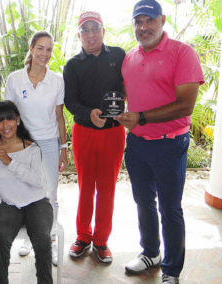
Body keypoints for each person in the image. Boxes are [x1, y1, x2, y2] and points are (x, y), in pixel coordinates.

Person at [114, 1, 204, 283]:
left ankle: (171, 270)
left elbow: (186, 105)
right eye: (138, 22)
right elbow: (131, 96)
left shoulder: (182, 52)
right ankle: (150, 252)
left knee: (170, 208)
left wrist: (141, 116)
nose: (143, 27)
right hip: (137, 144)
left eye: (149, 21)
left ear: (162, 20)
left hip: (169, 144)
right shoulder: (129, 58)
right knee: (143, 202)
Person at [63, 11, 126, 263]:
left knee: (107, 188)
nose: (90, 34)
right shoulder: (73, 64)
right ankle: (83, 236)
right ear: (79, 35)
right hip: (84, 132)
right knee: (86, 186)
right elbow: (69, 101)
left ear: (103, 31)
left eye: (95, 28)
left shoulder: (120, 55)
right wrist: (89, 114)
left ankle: (101, 240)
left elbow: (129, 84)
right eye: (85, 30)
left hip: (113, 132)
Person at [0, 100, 53, 284]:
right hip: (10, 206)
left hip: (37, 203)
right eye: (0, 121)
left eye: (9, 119)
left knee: (42, 241)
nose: (5, 125)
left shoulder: (31, 147)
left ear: (17, 120)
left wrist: (8, 161)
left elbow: (38, 182)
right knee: (0, 239)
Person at [3, 31, 68, 266]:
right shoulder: (14, 79)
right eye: (40, 48)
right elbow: (9, 115)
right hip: (23, 144)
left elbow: (59, 117)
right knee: (27, 190)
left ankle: (49, 240)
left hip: (49, 143)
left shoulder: (57, 80)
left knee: (50, 193)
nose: (45, 54)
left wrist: (63, 146)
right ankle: (32, 237)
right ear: (31, 48)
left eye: (49, 49)